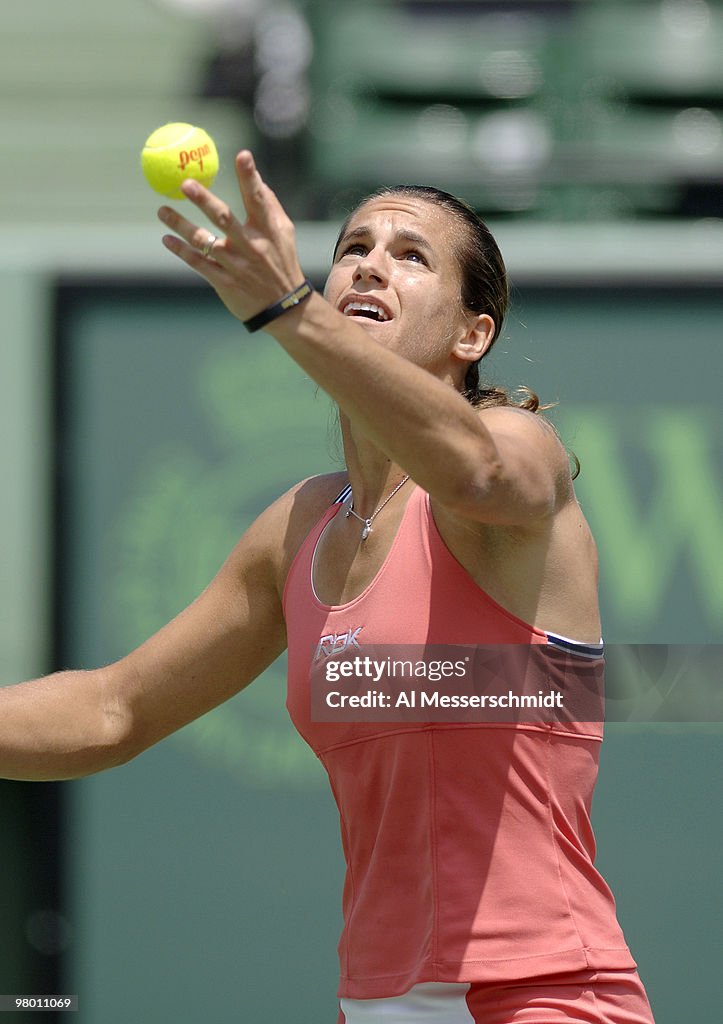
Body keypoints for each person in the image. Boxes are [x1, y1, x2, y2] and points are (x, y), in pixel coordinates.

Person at [0, 152, 655, 1024]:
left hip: (545, 991)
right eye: (354, 246)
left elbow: (476, 474)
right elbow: (113, 711)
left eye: (412, 255)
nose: (370, 263)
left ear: (473, 334)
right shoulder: (299, 527)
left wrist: (291, 312)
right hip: (376, 1000)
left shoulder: (518, 451)